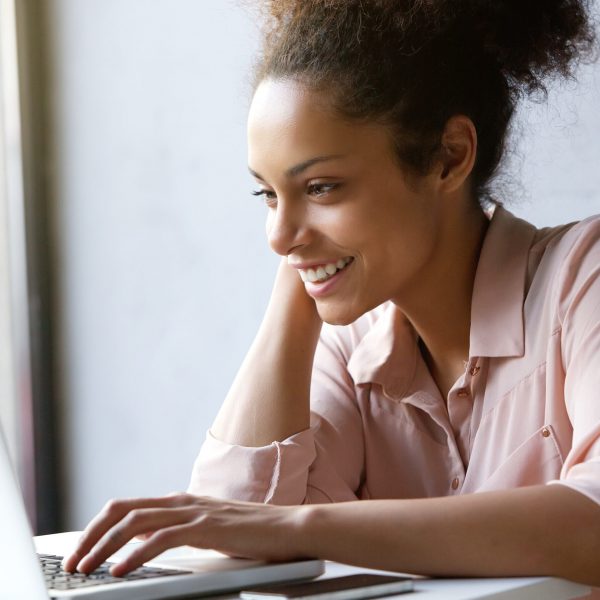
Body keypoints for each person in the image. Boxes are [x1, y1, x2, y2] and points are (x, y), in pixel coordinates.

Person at [65, 0, 600, 588]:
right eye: (267, 194)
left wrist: (308, 526)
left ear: (449, 157)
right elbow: (233, 540)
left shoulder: (581, 279)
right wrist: (304, 276)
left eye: (321, 187)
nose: (276, 236)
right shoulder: (350, 350)